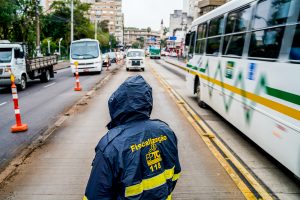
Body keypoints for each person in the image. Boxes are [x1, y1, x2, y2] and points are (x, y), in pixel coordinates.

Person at [83, 75, 181, 200]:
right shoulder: (166, 132)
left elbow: (95, 195)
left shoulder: (110, 145)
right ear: (147, 101)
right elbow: (175, 173)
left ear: (117, 104)